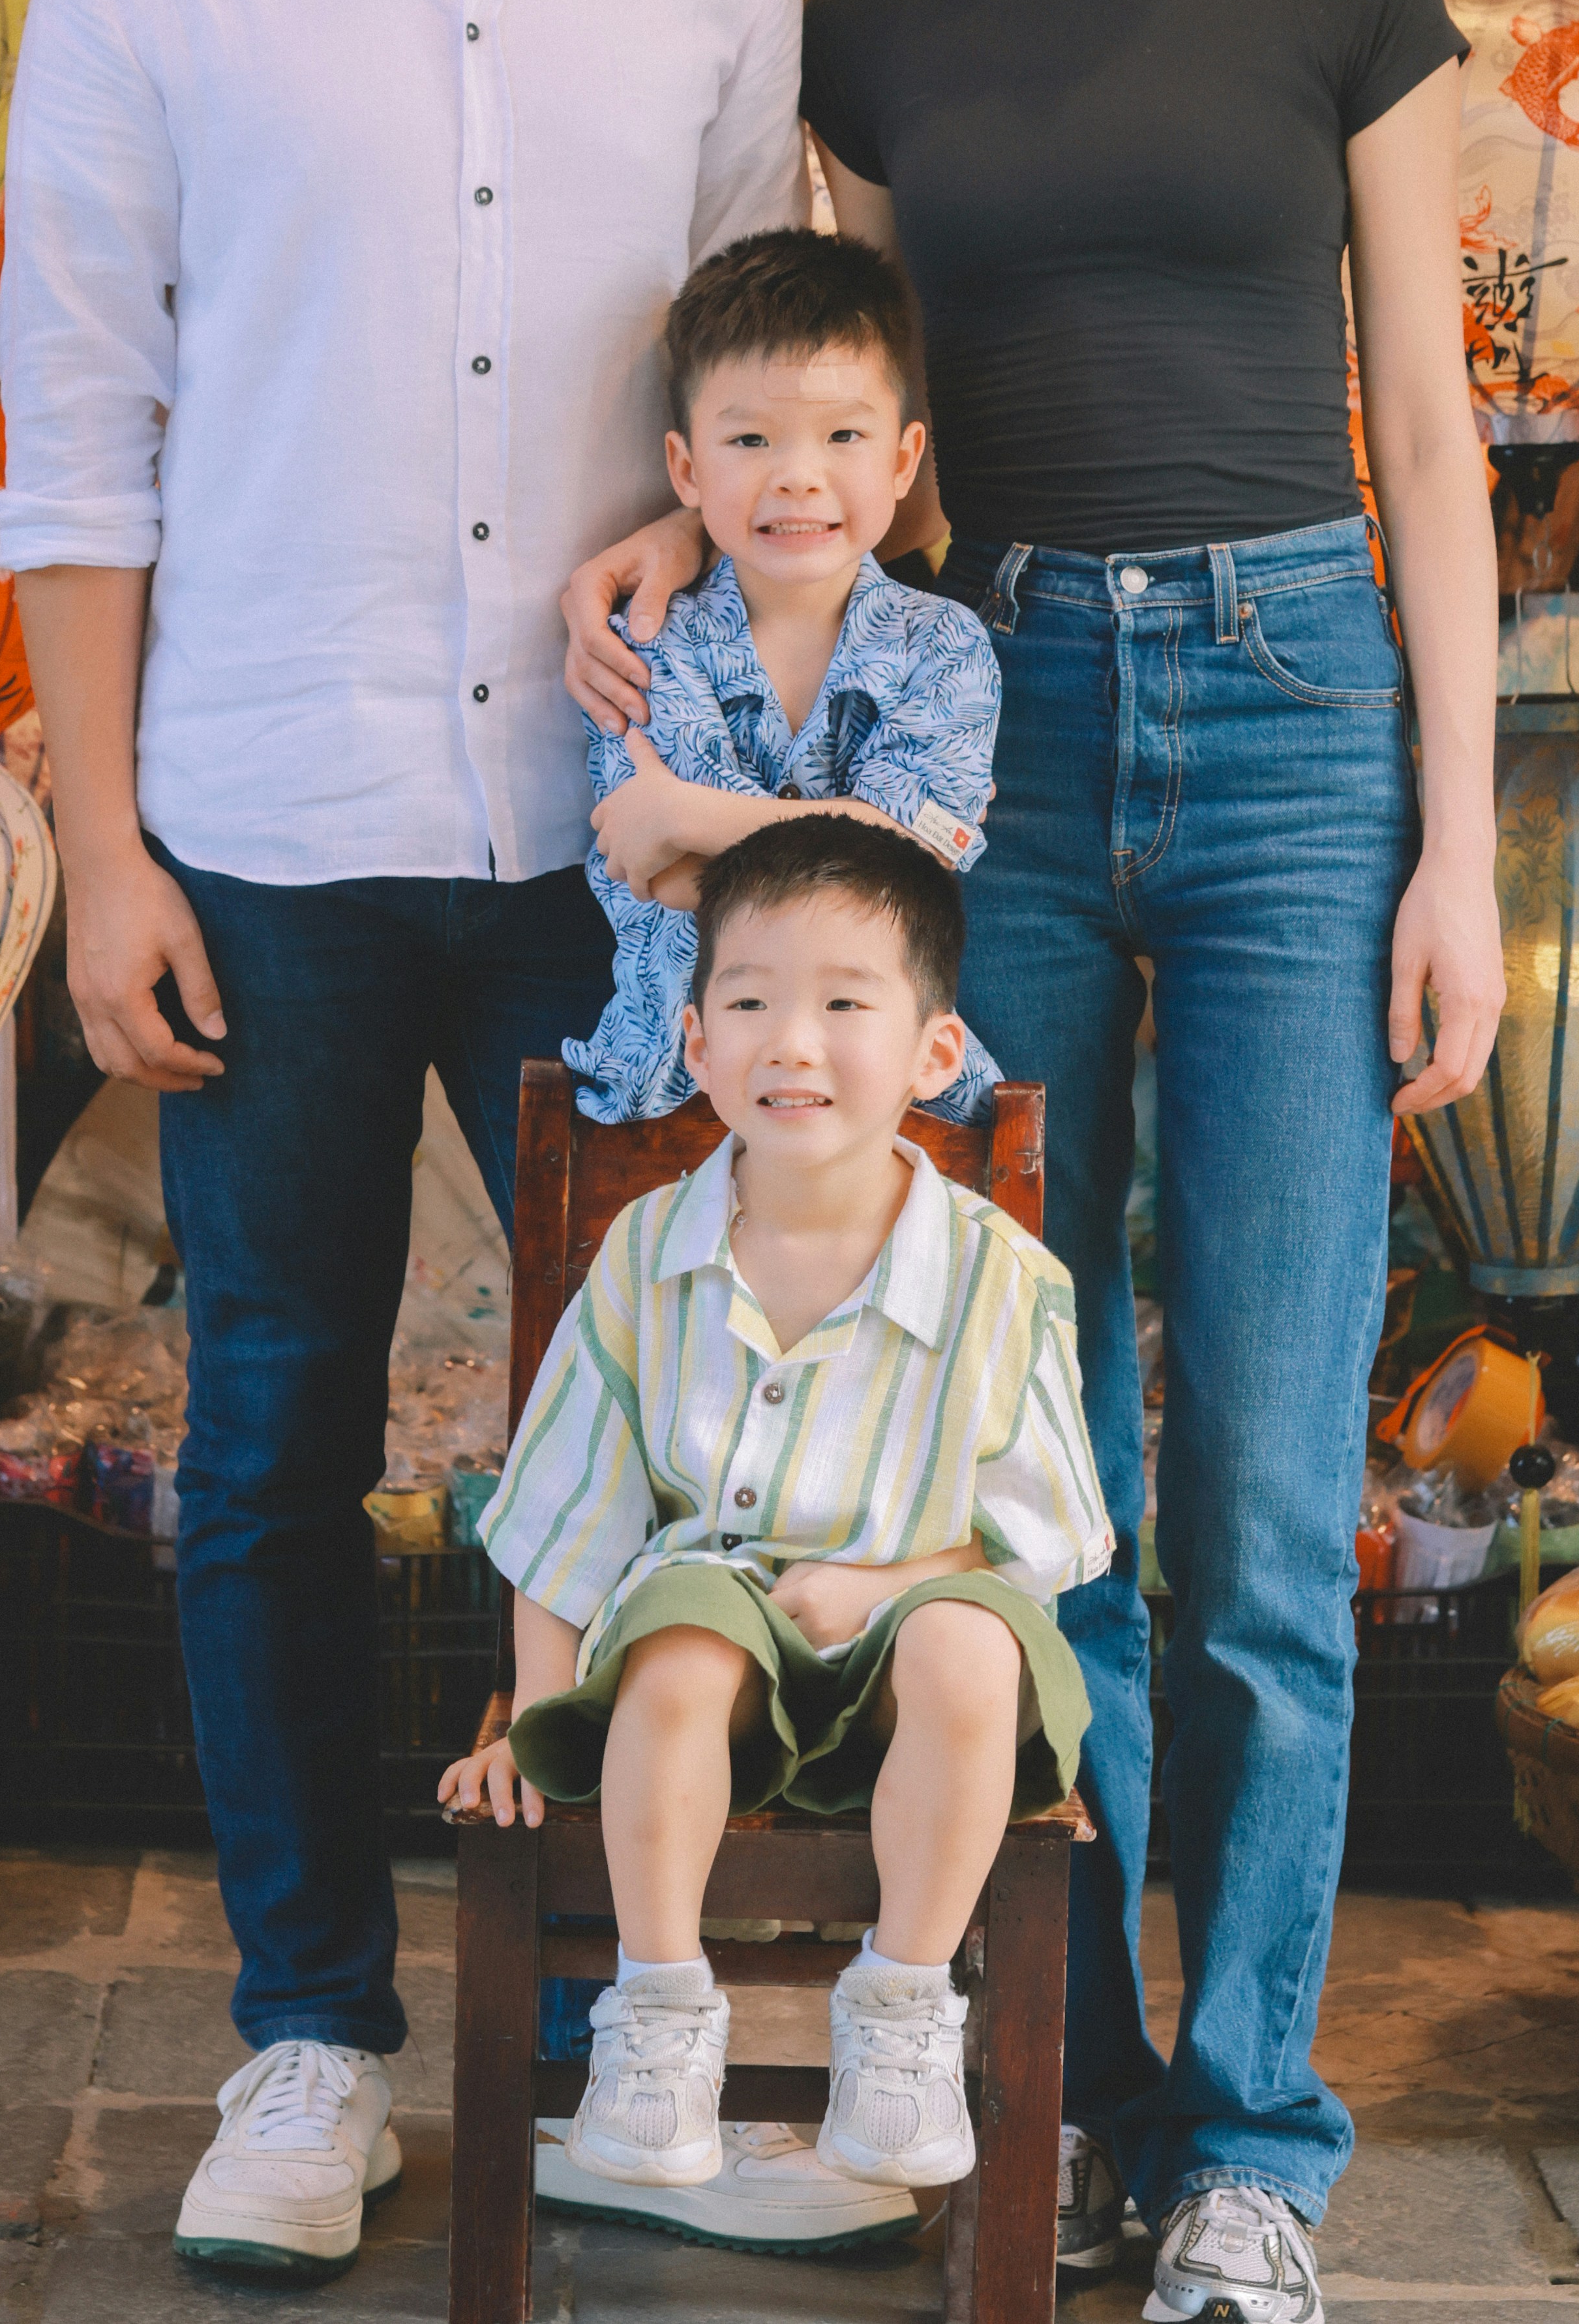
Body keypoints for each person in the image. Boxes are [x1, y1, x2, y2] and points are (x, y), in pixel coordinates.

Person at [562, 0, 1505, 2324]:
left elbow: (1432, 434)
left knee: (1246, 1473)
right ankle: (1038, 2088)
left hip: (1296, 714)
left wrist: (1460, 832)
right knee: (1024, 1459)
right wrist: (656, 523)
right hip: (986, 740)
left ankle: (1242, 2140)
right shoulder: (879, 26)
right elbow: (814, 414)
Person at [0, 0, 811, 2282]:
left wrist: (701, 576)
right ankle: (311, 2039)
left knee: (665, 1447)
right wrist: (98, 842)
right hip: (265, 809)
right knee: (265, 1446)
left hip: (622, 842)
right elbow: (74, 431)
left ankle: (633, 2022)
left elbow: (774, 380)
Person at [443, 814, 1113, 2193]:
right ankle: (662, 2012)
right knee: (688, 1632)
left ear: (935, 1053)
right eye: (749, 1000)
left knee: (970, 1636)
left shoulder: (1000, 1274)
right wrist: (530, 1712)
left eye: (844, 1002)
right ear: (696, 1042)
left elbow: (1045, 1532)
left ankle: (905, 2010)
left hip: (912, 1686)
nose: (791, 1041)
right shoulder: (646, 1254)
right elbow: (567, 1503)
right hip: (708, 1679)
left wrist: (885, 1583)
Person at [565, 224, 1004, 1125]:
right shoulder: (647, 644)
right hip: (673, 1082)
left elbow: (908, 879)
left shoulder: (946, 649)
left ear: (900, 459)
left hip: (893, 1095)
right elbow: (648, 868)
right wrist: (867, 840)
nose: (798, 476)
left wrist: (685, 813)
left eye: (843, 434)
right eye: (752, 440)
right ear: (686, 468)